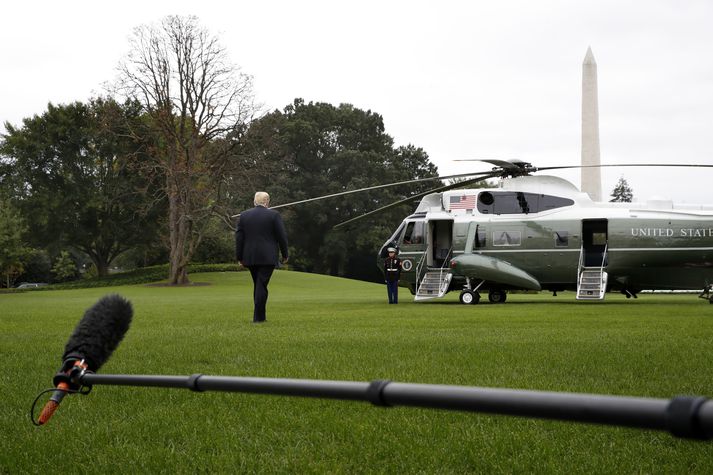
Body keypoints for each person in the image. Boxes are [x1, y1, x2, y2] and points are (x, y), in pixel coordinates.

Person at [235, 192, 289, 323]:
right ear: (267, 202)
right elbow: (281, 236)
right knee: (261, 285)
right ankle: (258, 318)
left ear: (254, 201)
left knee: (258, 284)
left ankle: (260, 317)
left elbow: (239, 238)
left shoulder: (244, 216)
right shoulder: (274, 215)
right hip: (268, 256)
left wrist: (239, 257)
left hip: (250, 256)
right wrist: (285, 254)